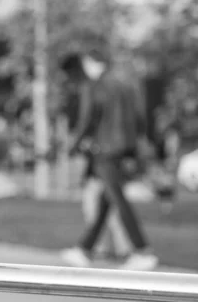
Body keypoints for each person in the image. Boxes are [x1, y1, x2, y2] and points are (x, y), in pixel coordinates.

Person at [58, 50, 159, 271]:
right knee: (107, 199)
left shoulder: (91, 85)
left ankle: (142, 250)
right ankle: (85, 249)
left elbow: (86, 120)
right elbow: (141, 117)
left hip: (105, 150)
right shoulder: (122, 83)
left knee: (118, 199)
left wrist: (72, 147)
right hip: (125, 148)